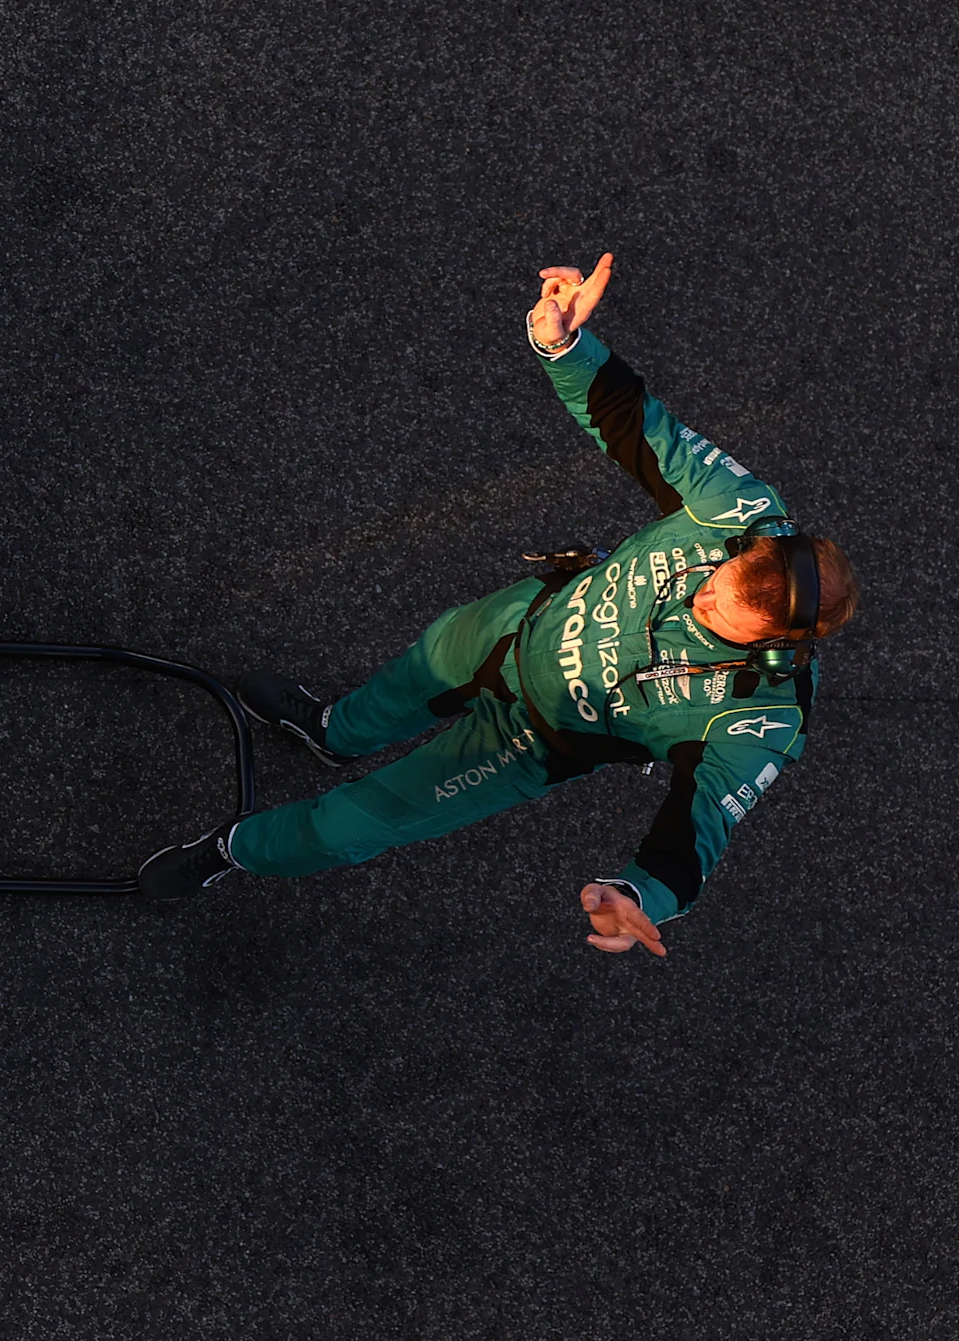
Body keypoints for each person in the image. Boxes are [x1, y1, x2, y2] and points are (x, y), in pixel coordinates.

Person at [141, 254, 857, 951]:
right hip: (515, 623)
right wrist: (564, 345)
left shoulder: (759, 714)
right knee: (409, 675)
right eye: (717, 577)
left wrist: (638, 897)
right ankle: (332, 733)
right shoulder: (740, 512)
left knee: (353, 826)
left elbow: (695, 834)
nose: (702, 593)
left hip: (526, 743)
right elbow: (637, 423)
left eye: (718, 614)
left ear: (774, 644)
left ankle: (232, 851)